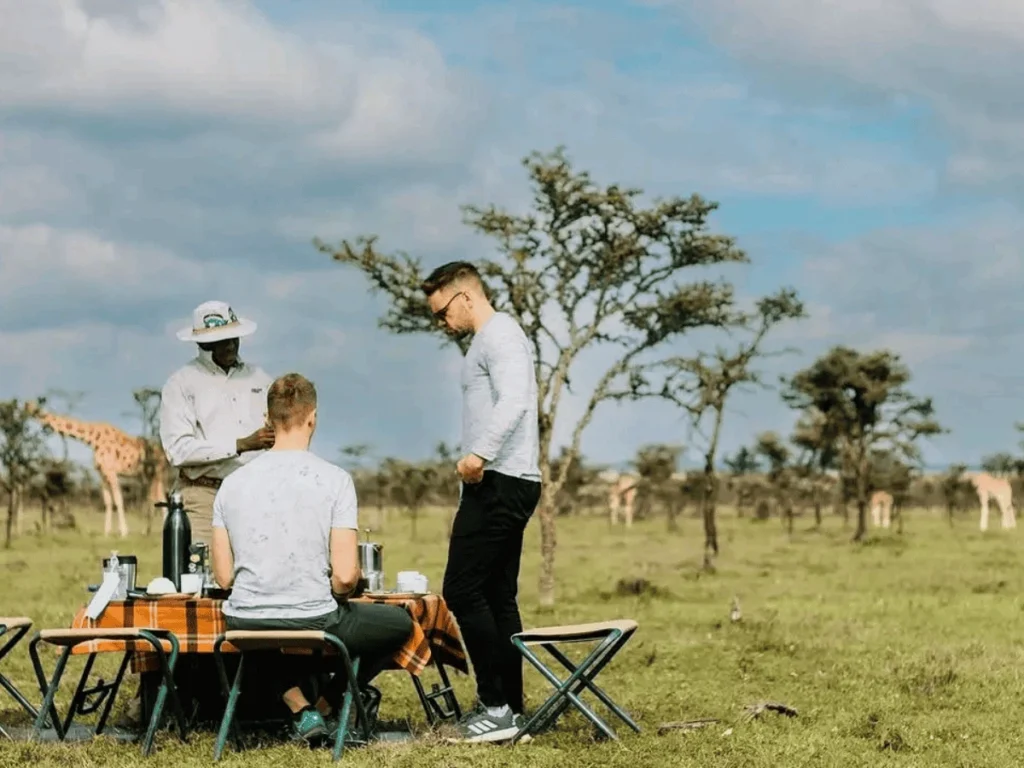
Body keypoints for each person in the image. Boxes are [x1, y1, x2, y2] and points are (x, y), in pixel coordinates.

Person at [211, 372, 413, 742]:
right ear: (313, 417)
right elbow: (346, 577)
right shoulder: (334, 480)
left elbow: (223, 578)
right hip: (315, 616)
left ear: (268, 420)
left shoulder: (231, 484)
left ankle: (300, 708)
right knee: (401, 624)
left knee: (263, 625)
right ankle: (326, 702)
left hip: (242, 621)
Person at [421, 261, 542, 743]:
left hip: (499, 479)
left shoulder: (501, 336)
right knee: (496, 596)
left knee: (462, 589)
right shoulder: (485, 342)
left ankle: (495, 706)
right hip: (504, 479)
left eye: (442, 312)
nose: (441, 323)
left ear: (465, 297)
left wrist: (478, 455)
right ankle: (510, 710)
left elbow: (515, 401)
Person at [159, 300, 276, 545]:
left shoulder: (260, 378)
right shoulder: (181, 384)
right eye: (222, 340)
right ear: (202, 343)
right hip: (203, 495)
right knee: (200, 574)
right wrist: (240, 444)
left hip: (255, 495)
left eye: (235, 337)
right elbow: (178, 450)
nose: (231, 345)